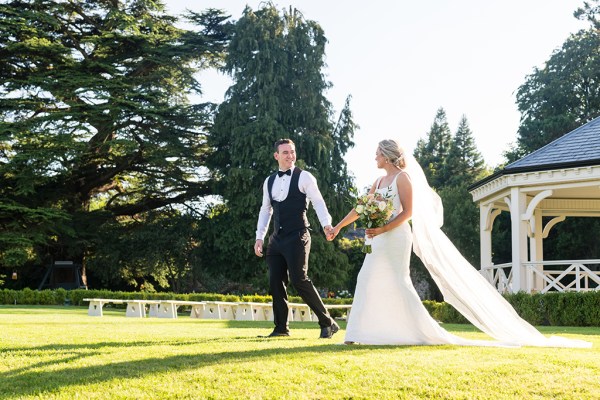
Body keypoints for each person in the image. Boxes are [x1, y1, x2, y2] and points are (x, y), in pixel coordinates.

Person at [329, 139, 591, 348]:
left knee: (398, 282)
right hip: (377, 239)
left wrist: (383, 227)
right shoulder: (377, 181)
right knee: (366, 279)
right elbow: (361, 207)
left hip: (395, 237)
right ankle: (360, 331)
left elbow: (407, 212)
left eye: (376, 153)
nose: (374, 157)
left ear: (386, 155)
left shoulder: (403, 179)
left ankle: (416, 329)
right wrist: (339, 226)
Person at [254, 138, 339, 339]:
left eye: (292, 152)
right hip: (277, 239)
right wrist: (260, 237)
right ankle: (281, 328)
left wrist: (326, 224)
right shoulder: (269, 181)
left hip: (299, 235)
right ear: (276, 156)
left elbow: (318, 202)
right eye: (285, 152)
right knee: (275, 281)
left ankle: (327, 322)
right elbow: (265, 210)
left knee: (299, 279)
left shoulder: (305, 177)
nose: (290, 156)